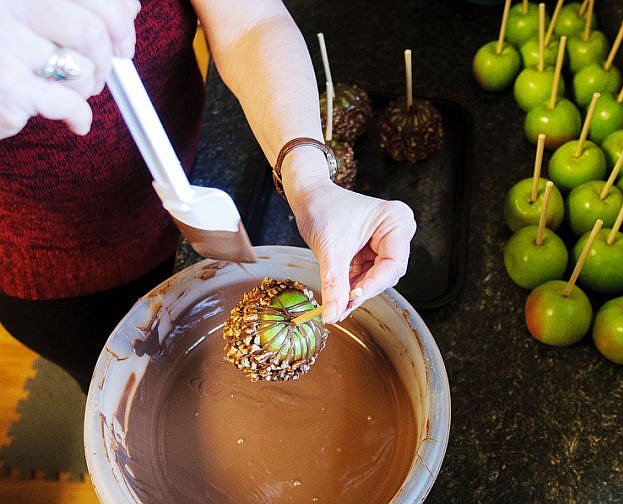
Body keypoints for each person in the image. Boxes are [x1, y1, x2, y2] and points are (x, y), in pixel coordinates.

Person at [0, 0, 416, 390]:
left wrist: (310, 183)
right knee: (134, 383)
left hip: (196, 194)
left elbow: (250, 23)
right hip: (64, 278)